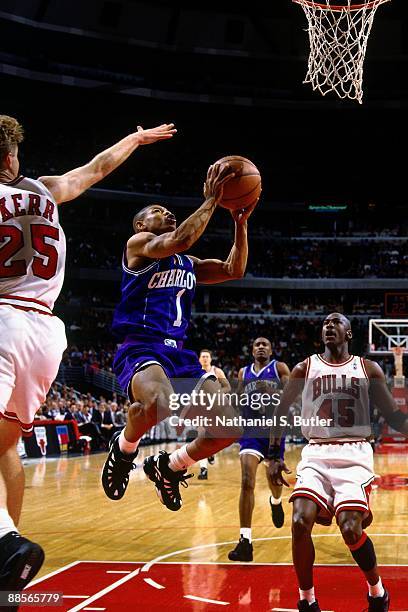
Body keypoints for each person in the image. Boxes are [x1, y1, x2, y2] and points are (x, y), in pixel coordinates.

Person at [0, 114, 176, 590]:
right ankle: (8, 566)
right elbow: (97, 168)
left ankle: (4, 541)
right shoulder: (45, 188)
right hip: (45, 333)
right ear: (13, 156)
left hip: (3, 316)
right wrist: (136, 137)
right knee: (7, 445)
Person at [101, 163, 258, 510]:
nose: (168, 212)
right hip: (141, 345)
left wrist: (240, 224)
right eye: (158, 212)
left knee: (229, 429)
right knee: (159, 401)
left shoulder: (187, 262)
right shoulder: (139, 245)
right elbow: (180, 239)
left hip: (178, 354)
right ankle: (124, 449)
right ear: (142, 225)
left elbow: (235, 269)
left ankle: (169, 467)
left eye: (168, 210)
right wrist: (213, 200)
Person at [269, 312, 408, 612]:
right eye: (326, 323)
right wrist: (273, 456)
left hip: (354, 454)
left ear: (349, 334)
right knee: (299, 520)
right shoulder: (304, 368)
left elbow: (394, 415)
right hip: (316, 453)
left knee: (350, 529)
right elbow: (280, 410)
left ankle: (377, 591)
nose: (329, 326)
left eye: (337, 322)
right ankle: (307, 600)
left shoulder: (367, 368)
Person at [228, 337, 290, 562]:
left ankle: (276, 502)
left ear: (271, 350)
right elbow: (237, 400)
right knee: (247, 481)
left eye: (266, 344)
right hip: (251, 433)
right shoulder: (243, 373)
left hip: (274, 433)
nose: (261, 346)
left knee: (274, 480)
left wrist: (273, 393)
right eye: (257, 344)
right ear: (252, 350)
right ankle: (245, 541)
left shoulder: (280, 368)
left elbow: (292, 396)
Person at [196, 348, 231, 479]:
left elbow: (227, 386)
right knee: (201, 435)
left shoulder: (217, 371)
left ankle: (211, 453)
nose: (205, 358)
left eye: (207, 356)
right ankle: (203, 470)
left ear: (210, 359)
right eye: (202, 356)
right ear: (199, 359)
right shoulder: (195, 372)